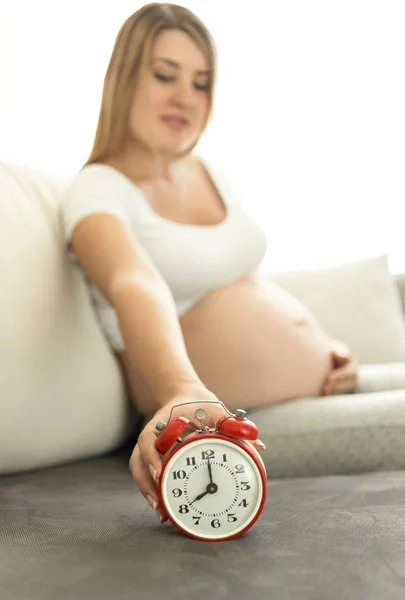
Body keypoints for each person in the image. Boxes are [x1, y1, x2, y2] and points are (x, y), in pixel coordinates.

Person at [60, 2, 357, 524]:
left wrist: (321, 345)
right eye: (165, 75)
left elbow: (244, 283)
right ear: (125, 78)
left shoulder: (208, 172)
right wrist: (181, 388)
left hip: (300, 385)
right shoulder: (97, 189)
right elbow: (134, 279)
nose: (185, 97)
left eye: (201, 82)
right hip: (220, 415)